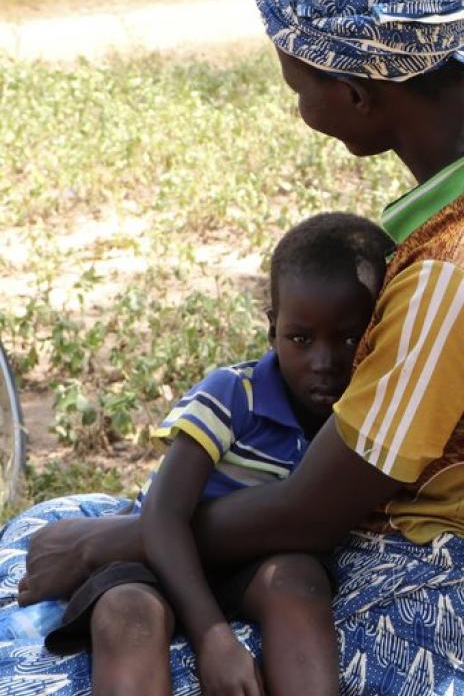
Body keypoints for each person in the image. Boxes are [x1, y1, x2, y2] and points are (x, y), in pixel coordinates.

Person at [0, 0, 464, 696]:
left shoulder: (460, 271)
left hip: (436, 617)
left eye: (299, 87)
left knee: (33, 647)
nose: (299, 103)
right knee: (51, 523)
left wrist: (125, 539)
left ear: (357, 94)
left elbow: (311, 512)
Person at [32, 213, 391, 696]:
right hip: (159, 560)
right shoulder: (231, 395)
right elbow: (162, 515)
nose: (323, 363)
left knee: (299, 580)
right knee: (127, 613)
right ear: (272, 330)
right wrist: (213, 638)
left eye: (349, 338)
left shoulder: (369, 419)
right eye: (300, 339)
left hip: (249, 566)